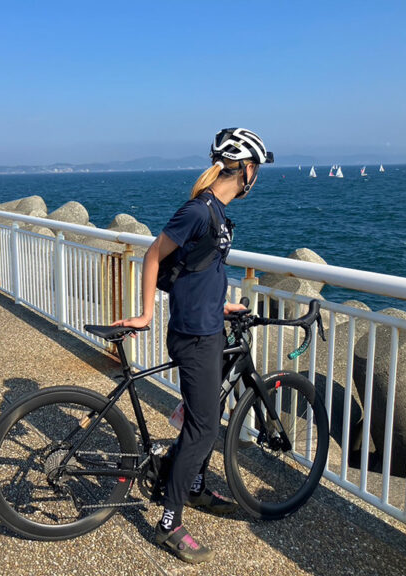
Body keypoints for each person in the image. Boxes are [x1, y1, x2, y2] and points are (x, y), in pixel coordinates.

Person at [114, 127, 273, 564]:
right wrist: (146, 313)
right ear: (247, 170)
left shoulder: (218, 214)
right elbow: (153, 255)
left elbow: (198, 270)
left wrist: (221, 306)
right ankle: (170, 522)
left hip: (208, 326)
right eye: (257, 170)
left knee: (206, 417)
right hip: (193, 337)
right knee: (203, 430)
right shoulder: (199, 211)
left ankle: (197, 487)